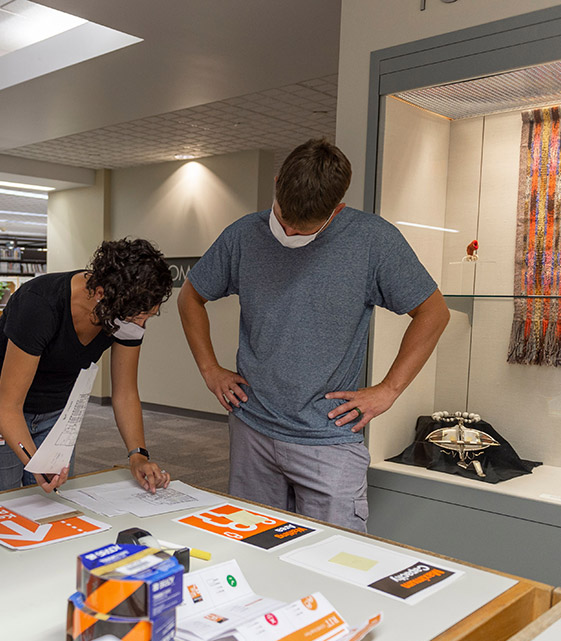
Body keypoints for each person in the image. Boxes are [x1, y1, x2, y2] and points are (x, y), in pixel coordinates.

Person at [178, 138, 450, 532]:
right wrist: (209, 369)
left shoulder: (373, 241)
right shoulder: (242, 236)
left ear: (336, 209)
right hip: (253, 429)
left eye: (301, 229)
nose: (286, 230)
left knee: (335, 559)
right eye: (283, 217)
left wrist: (389, 390)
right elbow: (191, 296)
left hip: (328, 439)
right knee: (254, 549)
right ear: (276, 184)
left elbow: (433, 313)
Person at [0, 237, 174, 495]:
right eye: (135, 318)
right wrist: (38, 464)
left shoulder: (126, 311)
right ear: (100, 295)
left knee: (51, 499)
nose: (139, 327)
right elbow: (8, 408)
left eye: (147, 318)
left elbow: (125, 392)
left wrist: (137, 454)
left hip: (56, 409)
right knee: (2, 500)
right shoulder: (40, 303)